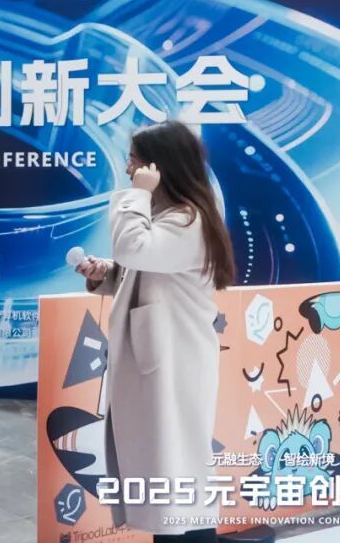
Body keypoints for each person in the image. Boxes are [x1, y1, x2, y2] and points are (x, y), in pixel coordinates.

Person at [75, 120, 235, 543]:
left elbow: (134, 249)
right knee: (165, 468)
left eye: (136, 161)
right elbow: (142, 267)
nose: (129, 169)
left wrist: (138, 195)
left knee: (175, 469)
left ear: (160, 167)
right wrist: (107, 273)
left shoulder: (188, 220)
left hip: (173, 363)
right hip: (160, 360)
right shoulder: (171, 217)